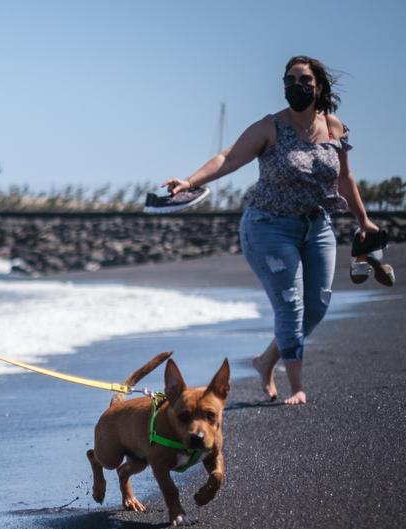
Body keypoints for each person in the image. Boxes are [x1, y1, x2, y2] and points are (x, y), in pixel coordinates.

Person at [162, 55, 379, 406]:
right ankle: (297, 387)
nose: (297, 86)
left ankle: (266, 361)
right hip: (268, 227)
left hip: (317, 225)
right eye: (290, 80)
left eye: (305, 80)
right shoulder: (270, 127)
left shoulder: (334, 126)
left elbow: (344, 177)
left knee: (317, 305)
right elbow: (228, 157)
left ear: (318, 86)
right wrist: (189, 181)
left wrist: (363, 219)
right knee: (291, 306)